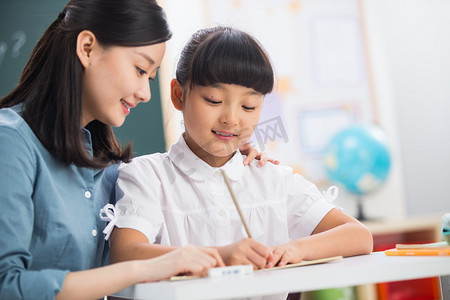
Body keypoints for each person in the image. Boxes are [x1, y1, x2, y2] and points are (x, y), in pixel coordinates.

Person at [0, 2, 273, 299]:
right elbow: (7, 285)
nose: (145, 93)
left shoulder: (109, 171)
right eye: (140, 70)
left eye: (151, 77)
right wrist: (141, 269)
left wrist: (229, 154)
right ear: (88, 48)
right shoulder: (11, 141)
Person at [109, 26, 373, 275]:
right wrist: (221, 256)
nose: (231, 119)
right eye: (214, 100)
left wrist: (295, 249)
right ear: (179, 95)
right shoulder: (148, 176)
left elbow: (358, 236)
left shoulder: (271, 178)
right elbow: (125, 254)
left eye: (248, 106)